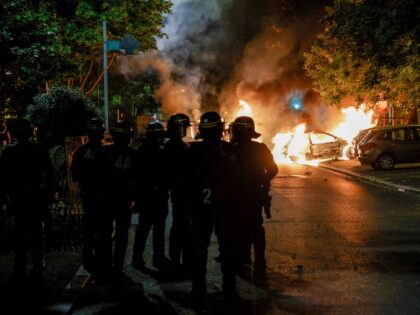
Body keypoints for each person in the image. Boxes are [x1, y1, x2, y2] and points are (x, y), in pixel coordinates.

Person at [189, 111, 240, 308]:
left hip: (201, 210)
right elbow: (239, 180)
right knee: (228, 251)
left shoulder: (193, 151)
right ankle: (230, 291)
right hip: (225, 210)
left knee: (199, 252)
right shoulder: (231, 150)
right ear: (221, 129)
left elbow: (186, 181)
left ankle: (198, 291)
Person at [0, 118, 53, 283]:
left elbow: (3, 179)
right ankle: (37, 265)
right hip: (34, 197)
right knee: (36, 233)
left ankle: (20, 267)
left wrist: (6, 198)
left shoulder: (8, 153)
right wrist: (48, 196)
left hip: (18, 198)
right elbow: (49, 175)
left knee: (20, 234)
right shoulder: (40, 151)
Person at [229, 116, 278, 274]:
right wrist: (262, 181)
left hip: (235, 197)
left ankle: (243, 257)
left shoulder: (230, 149)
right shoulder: (260, 148)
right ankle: (259, 260)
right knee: (256, 226)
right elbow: (273, 169)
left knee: (237, 227)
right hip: (255, 195)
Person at [94, 120, 139, 279]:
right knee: (121, 235)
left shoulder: (103, 152)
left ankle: (104, 265)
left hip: (107, 200)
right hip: (123, 200)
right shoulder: (133, 155)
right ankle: (117, 266)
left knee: (105, 233)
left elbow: (96, 177)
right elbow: (137, 179)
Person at [132, 122, 170, 270]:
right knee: (146, 229)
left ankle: (155, 257)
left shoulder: (154, 150)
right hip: (149, 197)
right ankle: (142, 258)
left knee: (155, 229)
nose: (161, 137)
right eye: (158, 135)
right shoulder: (146, 152)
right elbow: (141, 176)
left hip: (156, 197)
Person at [70, 118, 105, 272]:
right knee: (103, 227)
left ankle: (88, 255)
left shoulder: (81, 151)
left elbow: (75, 173)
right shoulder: (106, 151)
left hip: (89, 195)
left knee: (89, 226)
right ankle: (102, 257)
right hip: (103, 196)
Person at [163, 113, 193, 270]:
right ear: (179, 128)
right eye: (185, 128)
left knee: (180, 226)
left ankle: (177, 258)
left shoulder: (172, 146)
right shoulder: (176, 147)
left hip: (179, 193)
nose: (186, 131)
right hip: (181, 193)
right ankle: (181, 260)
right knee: (183, 227)